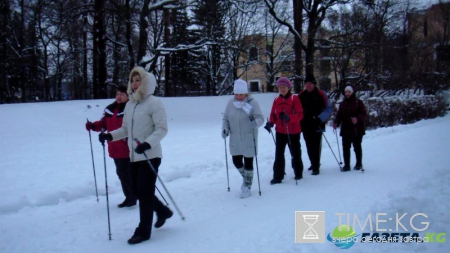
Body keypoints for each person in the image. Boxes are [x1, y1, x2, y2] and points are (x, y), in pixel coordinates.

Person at [98, 66, 173, 245]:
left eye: (138, 80)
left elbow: (162, 128)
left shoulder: (154, 102)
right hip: (133, 155)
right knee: (137, 190)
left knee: (145, 192)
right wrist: (110, 135)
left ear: (145, 82)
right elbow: (125, 129)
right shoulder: (130, 103)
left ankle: (143, 231)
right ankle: (162, 211)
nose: (134, 83)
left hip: (150, 155)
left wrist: (148, 143)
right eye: (132, 80)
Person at [85, 86, 136, 208]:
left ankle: (132, 196)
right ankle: (131, 196)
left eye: (122, 94)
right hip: (114, 146)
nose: (119, 96)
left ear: (128, 96)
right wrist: (93, 126)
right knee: (122, 173)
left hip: (127, 147)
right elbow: (104, 124)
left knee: (125, 173)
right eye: (117, 94)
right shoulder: (109, 109)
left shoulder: (131, 109)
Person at [222, 79, 264, 198]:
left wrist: (255, 123)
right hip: (235, 137)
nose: (238, 97)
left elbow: (260, 117)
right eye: (236, 94)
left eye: (241, 94)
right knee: (236, 161)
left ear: (246, 93)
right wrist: (225, 129)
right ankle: (247, 178)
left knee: (248, 162)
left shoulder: (252, 102)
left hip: (249, 137)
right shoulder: (231, 102)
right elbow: (225, 118)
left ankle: (247, 186)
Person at [264, 77, 304, 184]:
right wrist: (271, 123)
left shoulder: (294, 99)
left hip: (293, 131)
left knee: (295, 152)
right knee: (279, 154)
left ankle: (298, 172)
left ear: (288, 88)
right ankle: (278, 176)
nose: (282, 89)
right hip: (280, 131)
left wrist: (290, 118)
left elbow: (300, 114)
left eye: (284, 87)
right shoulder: (276, 100)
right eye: (280, 87)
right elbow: (273, 114)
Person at [298, 73, 331, 176]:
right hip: (305, 124)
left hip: (318, 124)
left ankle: (316, 166)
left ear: (314, 84)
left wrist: (320, 118)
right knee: (308, 145)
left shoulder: (321, 94)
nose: (308, 85)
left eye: (310, 83)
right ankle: (313, 163)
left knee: (316, 145)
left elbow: (328, 108)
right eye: (306, 83)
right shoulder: (301, 95)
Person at [333, 86, 367, 171]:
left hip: (357, 128)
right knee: (345, 147)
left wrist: (357, 119)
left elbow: (363, 114)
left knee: (357, 147)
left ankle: (358, 163)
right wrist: (336, 122)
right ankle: (347, 165)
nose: (347, 93)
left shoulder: (358, 102)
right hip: (345, 128)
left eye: (349, 92)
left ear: (352, 92)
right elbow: (339, 115)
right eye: (346, 92)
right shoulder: (342, 103)